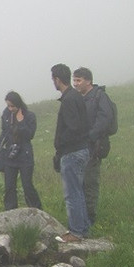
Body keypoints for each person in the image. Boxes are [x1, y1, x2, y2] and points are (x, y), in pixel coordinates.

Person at [51, 64, 90, 243]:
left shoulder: (68, 100)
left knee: (72, 193)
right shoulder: (76, 96)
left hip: (72, 152)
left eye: (53, 79)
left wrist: (59, 143)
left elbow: (73, 127)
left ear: (57, 79)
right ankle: (83, 228)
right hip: (82, 149)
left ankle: (75, 232)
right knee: (78, 191)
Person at [72, 67, 113, 226]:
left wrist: (90, 136)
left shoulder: (99, 96)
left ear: (88, 81)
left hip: (94, 147)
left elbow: (105, 118)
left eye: (78, 80)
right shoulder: (78, 98)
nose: (75, 84)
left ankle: (89, 220)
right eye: (74, 80)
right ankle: (81, 218)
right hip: (79, 148)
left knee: (89, 183)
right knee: (79, 183)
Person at [0, 91, 42, 211]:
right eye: (8, 106)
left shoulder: (29, 116)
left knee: (27, 186)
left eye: (12, 106)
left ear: (18, 104)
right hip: (10, 155)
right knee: (9, 186)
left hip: (25, 155)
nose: (10, 108)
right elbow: (4, 133)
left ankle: (37, 211)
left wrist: (20, 122)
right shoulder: (6, 115)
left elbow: (30, 135)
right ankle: (10, 211)